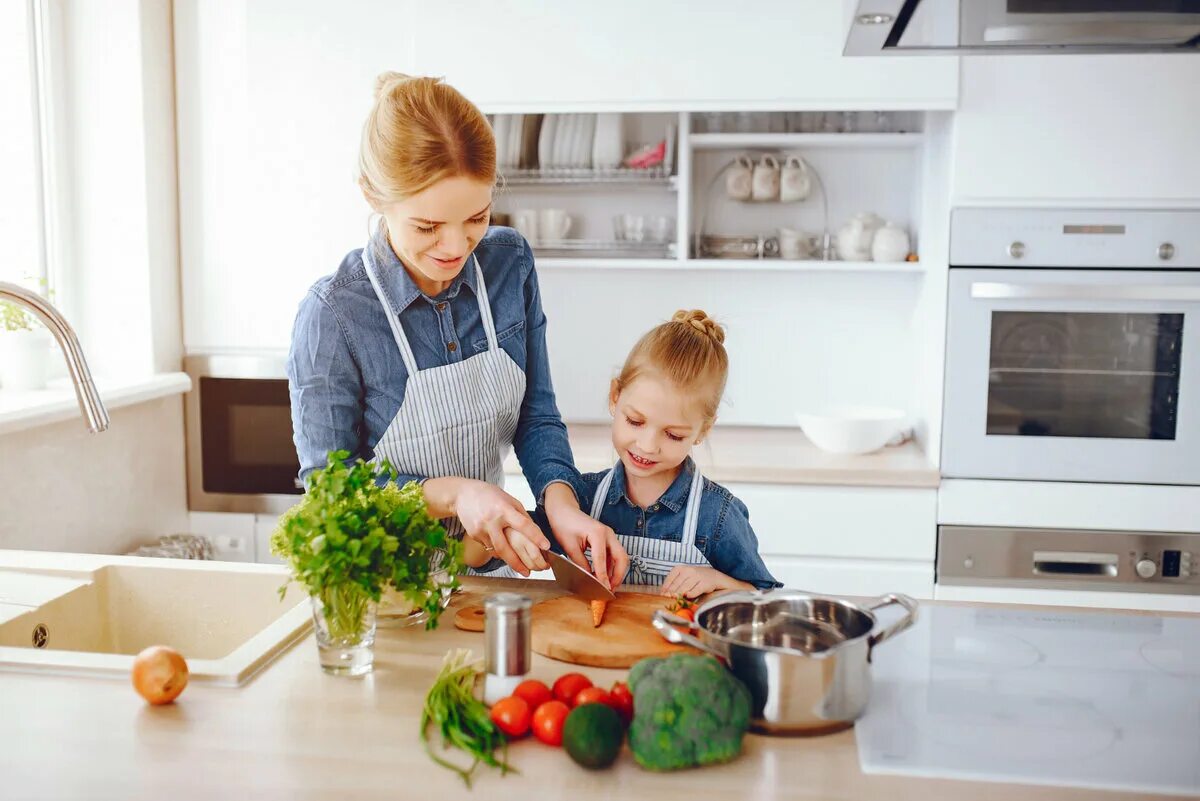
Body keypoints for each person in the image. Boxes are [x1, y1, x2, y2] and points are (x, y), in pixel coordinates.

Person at [286, 73, 628, 587]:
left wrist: (562, 505)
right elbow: (329, 488)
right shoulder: (334, 314)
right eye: (427, 226)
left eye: (476, 217)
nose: (455, 245)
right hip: (385, 594)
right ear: (373, 196)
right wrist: (456, 494)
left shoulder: (509, 264)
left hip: (488, 576)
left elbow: (536, 415)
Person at [466, 309, 780, 597]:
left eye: (673, 435)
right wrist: (501, 536)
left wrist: (719, 581)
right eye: (635, 421)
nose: (647, 445)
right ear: (615, 396)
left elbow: (764, 598)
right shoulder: (581, 499)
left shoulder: (717, 516)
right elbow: (480, 556)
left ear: (703, 431)